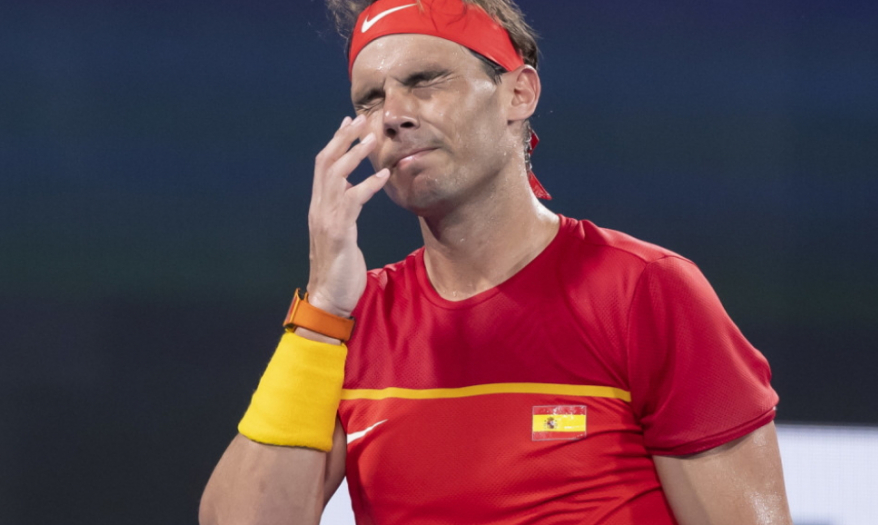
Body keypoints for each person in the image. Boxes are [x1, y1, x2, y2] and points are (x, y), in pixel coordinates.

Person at [200, 0, 793, 523]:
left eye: (426, 80)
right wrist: (323, 311)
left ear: (519, 93)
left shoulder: (644, 292)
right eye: (370, 99)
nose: (393, 114)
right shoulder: (346, 325)